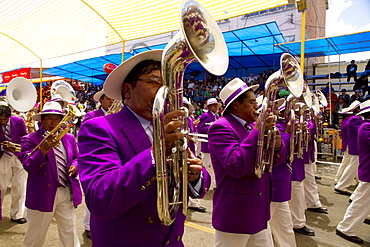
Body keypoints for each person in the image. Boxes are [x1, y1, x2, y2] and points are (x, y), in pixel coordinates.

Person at [77, 50, 210, 246]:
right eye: (153, 82)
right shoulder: (98, 128)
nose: (165, 90)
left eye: (167, 84)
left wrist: (194, 176)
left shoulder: (174, 125)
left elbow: (199, 181)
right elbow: (100, 198)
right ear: (128, 90)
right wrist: (155, 154)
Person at [208, 78, 286, 246]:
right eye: (252, 102)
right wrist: (258, 131)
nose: (256, 106)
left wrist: (278, 146)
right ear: (236, 105)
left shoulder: (250, 127)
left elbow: (274, 162)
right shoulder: (220, 127)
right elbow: (235, 166)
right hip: (236, 211)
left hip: (258, 209)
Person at [20, 101, 82, 246]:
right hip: (42, 193)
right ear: (42, 120)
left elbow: (78, 157)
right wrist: (43, 149)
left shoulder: (69, 138)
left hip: (66, 190)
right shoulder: (30, 139)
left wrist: (75, 166)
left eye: (56, 119)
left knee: (70, 230)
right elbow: (28, 166)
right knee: (36, 234)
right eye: (49, 118)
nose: (53, 122)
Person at [336, 100, 370, 244]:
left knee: (362, 198)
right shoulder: (364, 126)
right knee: (362, 200)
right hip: (367, 168)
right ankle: (346, 227)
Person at [269, 99, 297, 247]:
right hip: (274, 182)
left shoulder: (278, 125)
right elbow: (279, 154)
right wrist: (287, 134)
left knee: (285, 226)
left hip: (282, 181)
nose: (278, 111)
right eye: (275, 108)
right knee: (262, 228)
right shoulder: (267, 128)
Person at [0, 104, 28, 224]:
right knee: (1, 187)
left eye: (5, 119)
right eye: (0, 119)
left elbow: (25, 136)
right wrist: (2, 147)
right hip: (2, 157)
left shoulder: (19, 120)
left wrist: (21, 147)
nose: (2, 122)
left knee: (20, 186)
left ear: (10, 117)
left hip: (18, 156)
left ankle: (17, 214)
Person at [334, 100, 362, 195]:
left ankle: (359, 181)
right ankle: (341, 185)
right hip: (354, 147)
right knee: (351, 166)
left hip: (353, 146)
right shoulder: (354, 119)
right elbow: (360, 132)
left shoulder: (352, 119)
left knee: (353, 165)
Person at [198, 98, 221, 191]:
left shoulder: (217, 116)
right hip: (207, 144)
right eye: (214, 105)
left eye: (216, 105)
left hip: (214, 144)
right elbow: (201, 129)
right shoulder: (205, 116)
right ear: (209, 107)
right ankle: (205, 183)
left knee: (214, 165)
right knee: (206, 165)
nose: (216, 107)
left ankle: (213, 184)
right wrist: (212, 127)